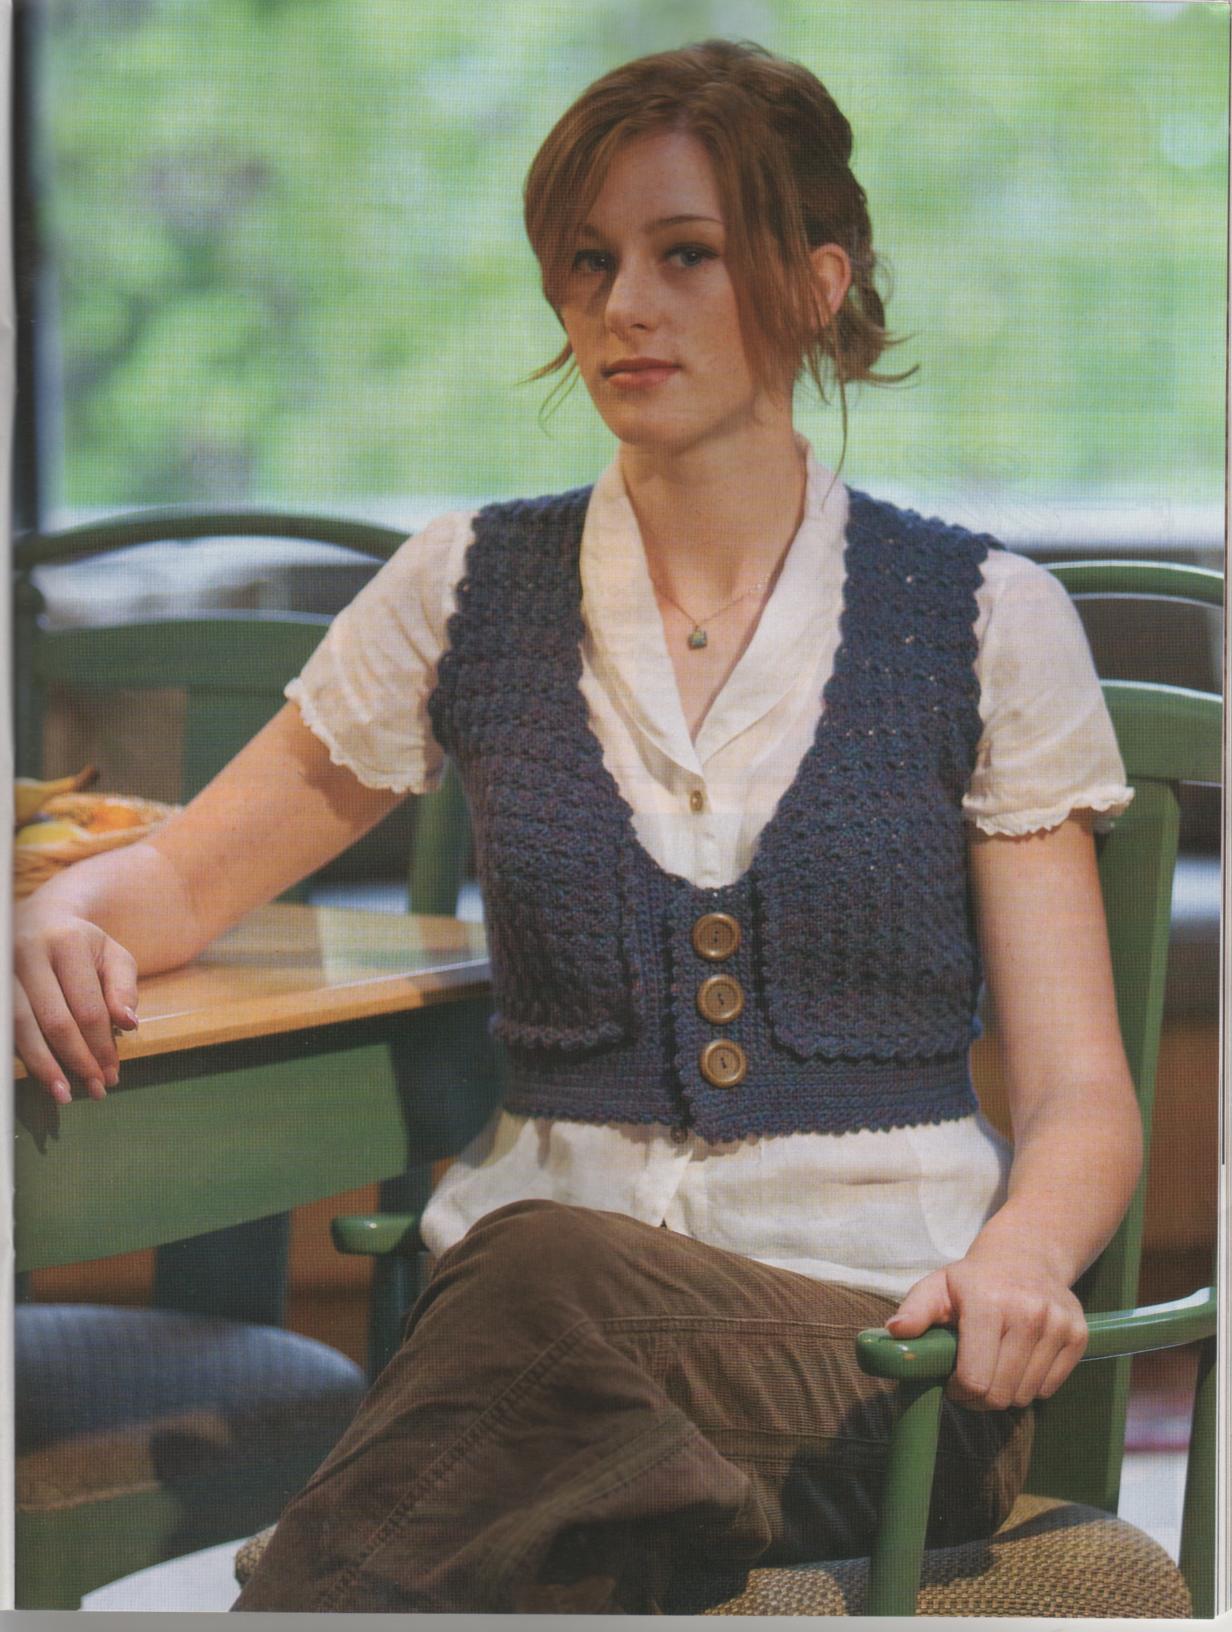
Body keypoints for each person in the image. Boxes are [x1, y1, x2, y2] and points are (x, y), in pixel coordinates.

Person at [14, 39, 1144, 1615]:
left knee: (536, 1271)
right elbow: (189, 878)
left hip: (866, 1369)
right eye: (591, 261)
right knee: (534, 1346)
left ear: (816, 283)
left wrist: (1021, 1257)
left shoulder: (983, 620)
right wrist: (61, 912)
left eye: (687, 255)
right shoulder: (463, 589)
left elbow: (1083, 1093)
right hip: (529, 1389)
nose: (625, 306)